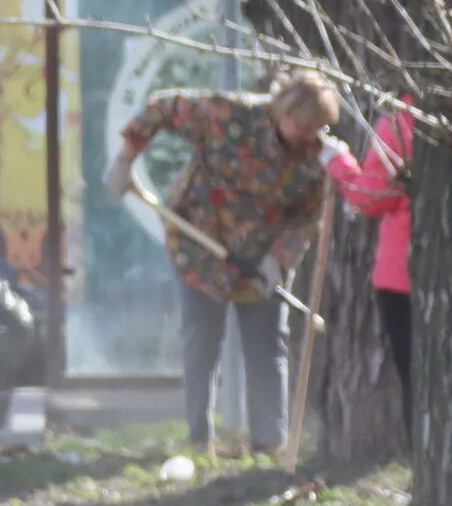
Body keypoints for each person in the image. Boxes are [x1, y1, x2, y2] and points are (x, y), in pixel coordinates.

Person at [104, 70, 340, 457]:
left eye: (316, 130)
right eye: (301, 126)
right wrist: (125, 161)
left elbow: (308, 216)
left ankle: (270, 440)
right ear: (283, 111)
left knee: (267, 345)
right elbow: (162, 107)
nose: (306, 137)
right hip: (201, 247)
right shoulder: (228, 116)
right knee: (202, 341)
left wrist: (278, 259)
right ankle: (199, 439)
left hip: (261, 261)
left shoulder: (316, 157)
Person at [320, 103, 415, 428]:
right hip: (412, 270)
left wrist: (338, 163)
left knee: (413, 372)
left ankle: (419, 453)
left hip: (402, 272)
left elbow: (373, 194)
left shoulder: (404, 119)